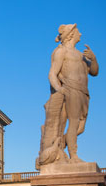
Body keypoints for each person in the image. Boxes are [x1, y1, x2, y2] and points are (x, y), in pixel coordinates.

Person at [37, 24, 99, 167]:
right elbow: (52, 73)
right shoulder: (61, 52)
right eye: (78, 31)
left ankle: (58, 146)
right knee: (74, 122)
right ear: (71, 34)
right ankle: (74, 156)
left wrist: (94, 59)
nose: (81, 34)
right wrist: (59, 89)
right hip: (71, 89)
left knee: (80, 127)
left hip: (83, 92)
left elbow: (94, 72)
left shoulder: (81, 56)